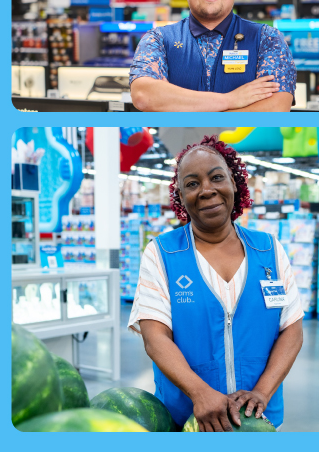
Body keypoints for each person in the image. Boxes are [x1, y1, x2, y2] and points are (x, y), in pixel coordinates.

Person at [129, 136, 304, 431]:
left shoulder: (269, 250)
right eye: (192, 184)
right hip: (188, 419)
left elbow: (292, 329)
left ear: (234, 183)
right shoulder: (162, 253)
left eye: (217, 177)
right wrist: (200, 393)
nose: (207, 190)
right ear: (181, 197)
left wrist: (261, 392)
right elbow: (154, 336)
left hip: (258, 421)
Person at [129, 0, 297, 112]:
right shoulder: (158, 39)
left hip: (240, 140)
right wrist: (230, 100)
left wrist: (186, 109)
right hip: (176, 140)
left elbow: (277, 107)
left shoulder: (267, 39)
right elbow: (144, 95)